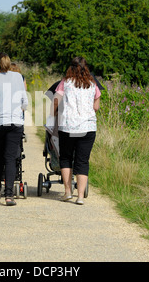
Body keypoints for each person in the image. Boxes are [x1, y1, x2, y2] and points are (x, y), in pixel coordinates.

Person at [0, 53, 28, 206]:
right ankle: (9, 195)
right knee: (10, 158)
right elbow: (24, 102)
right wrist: (18, 111)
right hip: (14, 122)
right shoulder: (18, 77)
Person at [53, 57, 101, 205]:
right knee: (82, 160)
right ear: (86, 68)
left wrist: (54, 113)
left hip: (68, 126)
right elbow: (96, 107)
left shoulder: (64, 83)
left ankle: (67, 192)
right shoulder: (93, 84)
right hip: (87, 127)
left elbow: (56, 101)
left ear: (70, 68)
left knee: (66, 157)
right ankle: (80, 196)